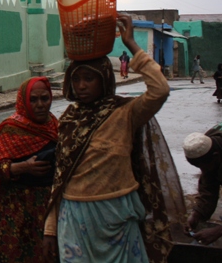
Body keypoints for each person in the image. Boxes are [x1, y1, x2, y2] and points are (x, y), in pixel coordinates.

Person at [42, 14, 183, 263]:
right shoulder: (69, 119)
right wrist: (50, 229)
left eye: (89, 78)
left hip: (117, 215)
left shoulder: (125, 113)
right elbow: (59, 178)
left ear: (105, 79)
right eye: (76, 79)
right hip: (75, 217)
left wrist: (130, 43)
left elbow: (160, 89)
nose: (81, 86)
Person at [0, 76, 58, 263]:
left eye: (45, 98)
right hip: (15, 212)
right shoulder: (11, 129)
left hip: (46, 210)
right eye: (33, 99)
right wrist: (23, 167)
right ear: (23, 101)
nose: (40, 104)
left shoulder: (55, 126)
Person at [182, 116, 222, 245]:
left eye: (203, 166)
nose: (203, 170)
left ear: (216, 156)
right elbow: (209, 180)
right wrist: (197, 213)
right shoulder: (206, 143)